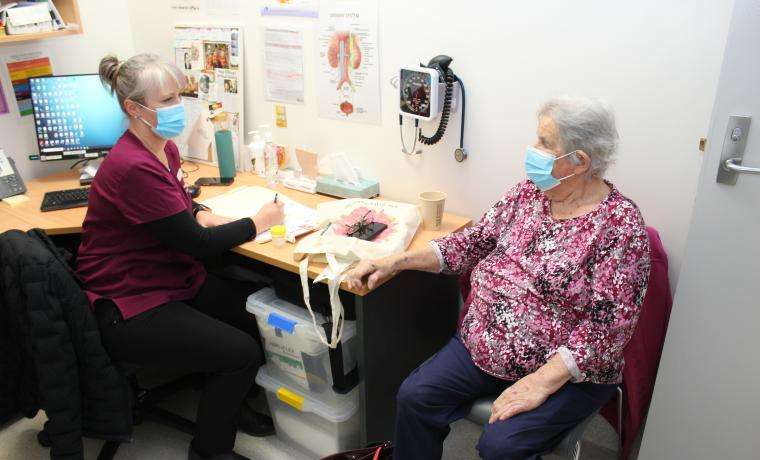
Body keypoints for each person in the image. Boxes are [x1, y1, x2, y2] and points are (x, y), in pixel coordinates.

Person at [346, 96, 651, 460]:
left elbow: (608, 331)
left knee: (500, 447)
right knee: (415, 397)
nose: (532, 151)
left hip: (564, 371)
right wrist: (395, 261)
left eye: (545, 143)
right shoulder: (528, 193)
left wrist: (541, 381)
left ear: (579, 161)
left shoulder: (620, 226)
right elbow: (471, 243)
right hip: (484, 344)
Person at [77, 53, 284, 460]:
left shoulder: (163, 148)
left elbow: (178, 205)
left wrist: (203, 213)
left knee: (248, 314)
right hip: (131, 302)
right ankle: (209, 451)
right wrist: (257, 222)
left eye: (179, 96)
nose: (178, 107)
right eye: (166, 100)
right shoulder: (131, 165)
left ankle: (230, 404)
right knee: (239, 354)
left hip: (169, 275)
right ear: (133, 109)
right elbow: (197, 244)